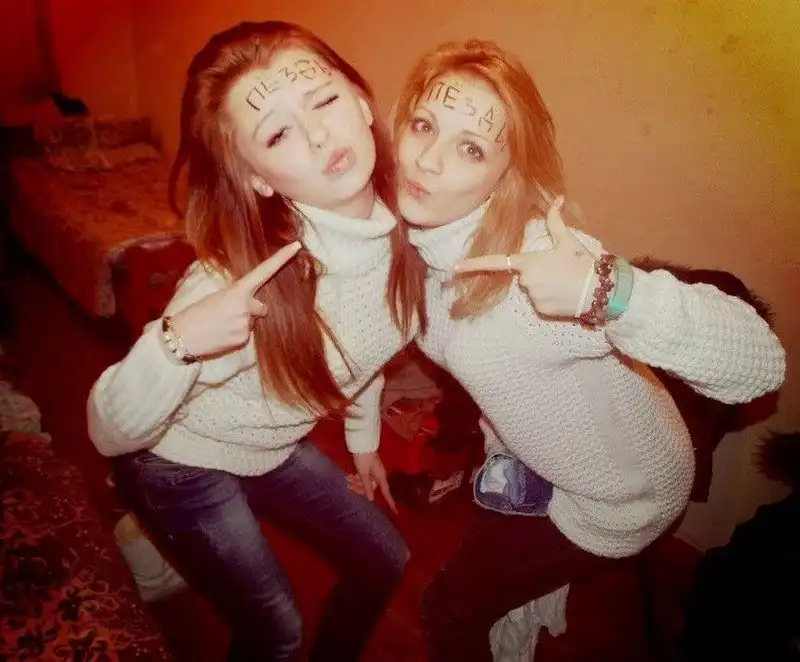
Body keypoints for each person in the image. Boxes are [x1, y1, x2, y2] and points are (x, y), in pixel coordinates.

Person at [392, 38, 787, 661]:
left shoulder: (535, 271)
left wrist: (608, 290)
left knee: (447, 608)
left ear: (506, 177)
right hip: (535, 457)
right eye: (424, 125)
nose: (427, 160)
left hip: (623, 494)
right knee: (478, 561)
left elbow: (760, 364)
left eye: (471, 148)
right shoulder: (419, 249)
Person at [87, 20, 427, 662]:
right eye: (277, 134)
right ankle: (153, 530)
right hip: (175, 459)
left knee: (386, 559)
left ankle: (158, 538)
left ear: (361, 101)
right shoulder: (237, 281)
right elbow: (106, 430)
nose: (319, 134)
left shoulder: (409, 236)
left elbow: (370, 344)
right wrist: (177, 342)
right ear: (257, 179)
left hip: (266, 441)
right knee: (276, 633)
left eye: (323, 100)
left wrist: (364, 444)